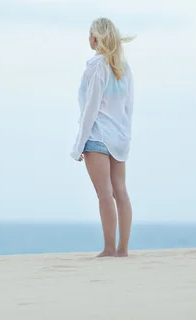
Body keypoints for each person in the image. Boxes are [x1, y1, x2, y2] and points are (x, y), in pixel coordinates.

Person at [70, 17, 135, 258]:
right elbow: (129, 107)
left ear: (95, 38)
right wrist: (126, 136)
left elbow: (90, 108)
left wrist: (78, 145)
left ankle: (109, 249)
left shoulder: (96, 66)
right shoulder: (123, 68)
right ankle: (122, 249)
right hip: (119, 137)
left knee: (105, 194)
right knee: (121, 191)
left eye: (89, 34)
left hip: (97, 137)